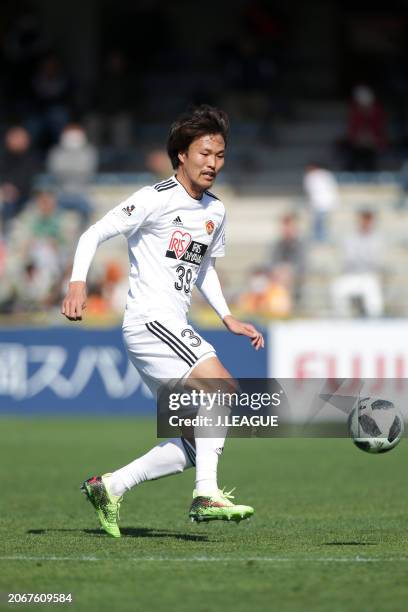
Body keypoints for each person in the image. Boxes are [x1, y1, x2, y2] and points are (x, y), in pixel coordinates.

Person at [61, 105, 264, 537]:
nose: (213, 163)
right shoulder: (155, 198)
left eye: (220, 154)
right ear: (181, 155)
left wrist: (227, 316)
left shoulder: (215, 211)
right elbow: (92, 232)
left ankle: (111, 486)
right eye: (205, 153)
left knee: (197, 435)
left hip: (170, 323)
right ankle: (206, 493)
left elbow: (203, 266)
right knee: (223, 389)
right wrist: (78, 282)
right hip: (151, 321)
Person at [331, 209, 384, 318]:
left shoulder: (377, 239)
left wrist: (362, 260)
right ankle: (344, 320)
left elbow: (375, 261)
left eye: (368, 220)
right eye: (363, 219)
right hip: (352, 275)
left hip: (368, 276)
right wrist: (362, 260)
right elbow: (348, 259)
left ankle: (374, 321)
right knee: (337, 288)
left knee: (373, 293)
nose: (365, 223)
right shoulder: (350, 238)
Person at [303, 162, 338, 242]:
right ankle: (321, 239)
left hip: (320, 203)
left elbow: (309, 192)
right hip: (326, 203)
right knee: (321, 222)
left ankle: (320, 240)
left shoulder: (310, 177)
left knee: (320, 223)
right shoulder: (327, 174)